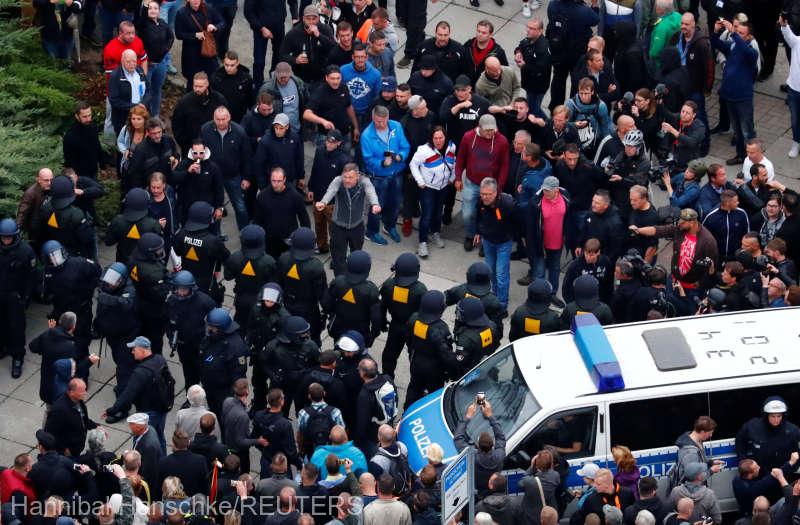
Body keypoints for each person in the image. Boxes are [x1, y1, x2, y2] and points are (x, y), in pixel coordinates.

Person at [454, 114, 510, 252]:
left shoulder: (502, 141)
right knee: (468, 214)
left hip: (491, 186)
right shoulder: (468, 137)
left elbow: (504, 165)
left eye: (493, 130)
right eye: (488, 131)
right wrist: (458, 177)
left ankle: (486, 240)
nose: (491, 133)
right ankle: (470, 235)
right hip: (472, 182)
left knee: (490, 215)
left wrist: (500, 186)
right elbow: (460, 157)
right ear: (480, 127)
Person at [41, 240, 102, 364]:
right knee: (64, 341)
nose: (56, 260)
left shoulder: (79, 263)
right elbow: (46, 291)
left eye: (57, 255)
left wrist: (89, 289)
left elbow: (96, 270)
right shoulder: (48, 272)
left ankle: (82, 373)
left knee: (82, 342)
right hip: (62, 312)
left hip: (81, 310)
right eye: (52, 258)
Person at [103, 336, 171, 444]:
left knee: (141, 442)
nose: (132, 351)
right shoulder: (160, 359)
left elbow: (127, 396)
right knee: (159, 437)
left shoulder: (140, 372)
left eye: (134, 348)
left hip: (147, 413)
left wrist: (111, 410)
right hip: (162, 408)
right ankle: (161, 459)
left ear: (142, 349)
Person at [360, 105, 410, 245]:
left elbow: (405, 146)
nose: (381, 124)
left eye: (383, 121)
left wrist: (401, 155)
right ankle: (371, 232)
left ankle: (389, 226)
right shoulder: (367, 136)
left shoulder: (396, 126)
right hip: (379, 177)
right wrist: (382, 163)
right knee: (377, 205)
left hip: (397, 173)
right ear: (372, 118)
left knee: (395, 203)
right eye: (377, 121)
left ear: (388, 118)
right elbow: (368, 160)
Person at [711, 17, 759, 165]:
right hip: (729, 96)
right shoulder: (733, 45)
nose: (738, 35)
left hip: (743, 98)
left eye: (742, 33)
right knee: (737, 131)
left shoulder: (751, 51)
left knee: (747, 131)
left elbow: (744, 49)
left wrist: (733, 34)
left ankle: (752, 160)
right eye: (737, 32)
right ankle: (740, 155)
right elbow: (716, 44)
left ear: (749, 36)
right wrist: (715, 31)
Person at [200, 106, 253, 231]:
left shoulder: (239, 132)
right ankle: (215, 235)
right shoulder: (205, 130)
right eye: (218, 119)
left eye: (223, 119)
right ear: (213, 118)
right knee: (213, 208)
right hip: (212, 176)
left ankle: (244, 233)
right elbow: (199, 150)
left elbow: (247, 156)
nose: (221, 122)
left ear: (229, 118)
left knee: (240, 207)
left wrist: (246, 177)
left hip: (233, 176)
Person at [165, 270, 216, 391]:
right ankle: (191, 398)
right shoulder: (171, 301)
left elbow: (216, 323)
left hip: (201, 346)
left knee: (206, 375)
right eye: (178, 289)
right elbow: (168, 322)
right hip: (183, 345)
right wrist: (171, 336)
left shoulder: (205, 302)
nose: (181, 292)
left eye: (184, 289)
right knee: (189, 375)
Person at [403, 290, 454, 409]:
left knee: (414, 387)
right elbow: (446, 354)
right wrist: (450, 371)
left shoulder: (414, 319)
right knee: (434, 393)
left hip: (416, 361)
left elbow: (409, 340)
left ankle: (407, 410)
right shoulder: (441, 328)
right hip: (435, 368)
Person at [276, 228, 327, 345]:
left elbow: (277, 282)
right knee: (312, 339)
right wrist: (328, 310)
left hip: (286, 307)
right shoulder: (315, 266)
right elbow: (322, 293)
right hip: (309, 311)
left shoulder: (283, 259)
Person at [0, 219, 36, 378]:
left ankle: (17, 357)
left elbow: (31, 277)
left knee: (17, 327)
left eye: (8, 237)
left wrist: (26, 297)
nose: (6, 240)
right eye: (3, 237)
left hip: (16, 295)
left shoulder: (25, 251)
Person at [475, 177, 515, 310]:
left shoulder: (507, 204)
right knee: (490, 272)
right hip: (488, 241)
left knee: (501, 275)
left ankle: (502, 305)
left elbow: (517, 222)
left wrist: (512, 236)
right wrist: (478, 232)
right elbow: (478, 217)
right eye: (482, 194)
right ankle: (493, 297)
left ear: (496, 192)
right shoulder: (480, 202)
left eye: (488, 194)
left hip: (504, 243)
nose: (484, 197)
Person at [199, 308, 248, 416]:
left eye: (213, 328)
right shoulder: (211, 338)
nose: (209, 329)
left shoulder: (236, 347)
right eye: (209, 326)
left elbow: (239, 374)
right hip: (210, 386)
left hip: (224, 392)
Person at [128, 233, 171, 355]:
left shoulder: (133, 259)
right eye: (157, 250)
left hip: (137, 304)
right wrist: (168, 280)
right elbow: (161, 294)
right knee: (155, 340)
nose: (160, 252)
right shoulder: (153, 273)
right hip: (153, 312)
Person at [454, 400, 506, 499]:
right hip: (490, 492)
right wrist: (490, 415)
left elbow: (458, 438)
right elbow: (500, 437)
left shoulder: (472, 457)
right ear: (492, 445)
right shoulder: (499, 456)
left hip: (475, 492)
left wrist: (468, 416)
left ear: (477, 445)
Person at [253, 167, 310, 259]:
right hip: (270, 241)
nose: (275, 184)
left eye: (279, 181)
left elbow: (304, 219)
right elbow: (258, 220)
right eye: (273, 181)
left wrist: (305, 238)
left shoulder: (295, 196)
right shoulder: (262, 196)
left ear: (284, 179)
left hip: (289, 240)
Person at [36, 175, 96, 259]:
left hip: (54, 252)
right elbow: (88, 240)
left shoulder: (45, 208)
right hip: (75, 255)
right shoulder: (76, 214)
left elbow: (39, 231)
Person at [736, 397, 800, 473]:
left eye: (779, 416)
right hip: (761, 472)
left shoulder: (792, 430)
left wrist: (794, 466)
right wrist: (743, 460)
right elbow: (740, 440)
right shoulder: (753, 426)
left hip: (784, 472)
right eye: (773, 416)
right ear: (766, 415)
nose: (776, 420)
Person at [279, 6, 336, 84]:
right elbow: (282, 55)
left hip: (322, 76)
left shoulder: (325, 29)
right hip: (301, 77)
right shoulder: (294, 33)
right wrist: (295, 60)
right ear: (303, 19)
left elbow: (333, 48)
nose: (311, 22)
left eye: (314, 18)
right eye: (308, 19)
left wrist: (319, 35)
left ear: (318, 18)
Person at [174, 0, 225, 88]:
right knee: (193, 81)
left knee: (211, 80)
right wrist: (195, 35)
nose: (196, 1)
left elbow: (222, 22)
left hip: (208, 52)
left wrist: (215, 27)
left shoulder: (208, 8)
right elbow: (179, 34)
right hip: (192, 54)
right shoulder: (181, 13)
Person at [136, 1, 174, 117]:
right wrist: (144, 6)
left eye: (155, 8)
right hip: (147, 64)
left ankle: (155, 115)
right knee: (144, 91)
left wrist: (164, 51)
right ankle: (142, 115)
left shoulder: (162, 23)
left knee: (157, 90)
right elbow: (140, 19)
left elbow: (171, 37)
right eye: (150, 8)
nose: (153, 10)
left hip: (160, 63)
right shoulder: (143, 24)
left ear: (159, 10)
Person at [354, 358, 397, 456]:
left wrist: (358, 440)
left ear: (362, 374)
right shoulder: (387, 379)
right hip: (388, 423)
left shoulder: (365, 395)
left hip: (373, 432)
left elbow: (362, 420)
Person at [44, 378, 97, 457]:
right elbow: (51, 432)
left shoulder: (78, 401)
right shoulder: (60, 410)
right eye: (82, 391)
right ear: (71, 392)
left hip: (76, 446)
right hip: (67, 451)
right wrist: (64, 449)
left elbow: (82, 418)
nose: (85, 393)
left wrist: (96, 426)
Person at [253, 114, 305, 190]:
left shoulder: (295, 138)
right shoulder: (265, 141)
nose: (278, 131)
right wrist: (262, 185)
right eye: (276, 128)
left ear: (287, 127)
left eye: (281, 128)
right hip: (272, 182)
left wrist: (301, 176)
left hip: (290, 180)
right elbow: (259, 164)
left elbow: (299, 158)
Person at [220, 378, 261, 475]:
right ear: (247, 391)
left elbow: (223, 420)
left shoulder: (227, 401)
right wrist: (258, 441)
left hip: (227, 443)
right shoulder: (243, 416)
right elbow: (241, 442)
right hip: (239, 453)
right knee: (243, 474)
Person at [259, 62, 309, 133]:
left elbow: (306, 103)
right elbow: (260, 109)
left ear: (290, 73)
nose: (283, 79)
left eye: (285, 77)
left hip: (296, 129)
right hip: (277, 131)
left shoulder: (298, 83)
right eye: (281, 77)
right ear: (276, 74)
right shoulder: (267, 89)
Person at [156, 430, 208, 498]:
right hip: (194, 503)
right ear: (188, 443)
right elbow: (205, 486)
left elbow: (158, 488)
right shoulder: (200, 460)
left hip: (172, 504)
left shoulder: (164, 462)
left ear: (173, 443)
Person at [702, 190, 750, 262]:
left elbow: (747, 235)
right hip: (717, 257)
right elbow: (704, 237)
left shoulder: (742, 214)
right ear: (727, 203)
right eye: (735, 201)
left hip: (736, 258)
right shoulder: (711, 216)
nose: (738, 203)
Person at [63, 102, 104, 181]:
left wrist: (102, 165)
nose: (88, 119)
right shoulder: (70, 136)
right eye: (84, 117)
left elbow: (97, 146)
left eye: (89, 115)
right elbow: (68, 160)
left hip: (93, 170)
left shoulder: (93, 127)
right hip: (79, 175)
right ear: (77, 116)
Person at [781, 14, 800, 158]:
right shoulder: (797, 42)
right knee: (795, 120)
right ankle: (796, 143)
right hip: (794, 89)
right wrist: (783, 24)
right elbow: (788, 35)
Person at [127, 412, 164, 485]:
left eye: (131, 424)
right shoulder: (149, 428)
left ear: (139, 428)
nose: (129, 427)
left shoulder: (149, 447)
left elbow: (149, 471)